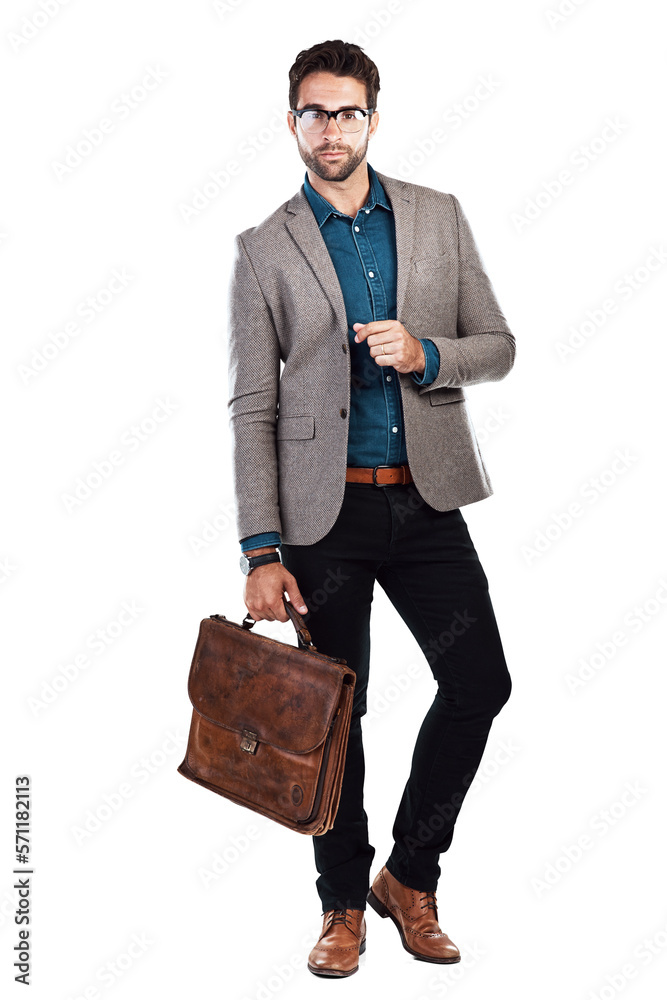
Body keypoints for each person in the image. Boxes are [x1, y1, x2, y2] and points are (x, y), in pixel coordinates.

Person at [227, 38, 515, 978]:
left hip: (426, 505)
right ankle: (341, 903)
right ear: (291, 123)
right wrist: (259, 548)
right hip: (323, 523)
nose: (331, 129)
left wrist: (425, 353)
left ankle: (409, 876)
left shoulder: (437, 216)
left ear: (373, 116)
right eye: (313, 112)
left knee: (479, 684)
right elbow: (252, 405)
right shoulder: (263, 248)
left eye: (347, 111)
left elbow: (497, 345)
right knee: (333, 715)